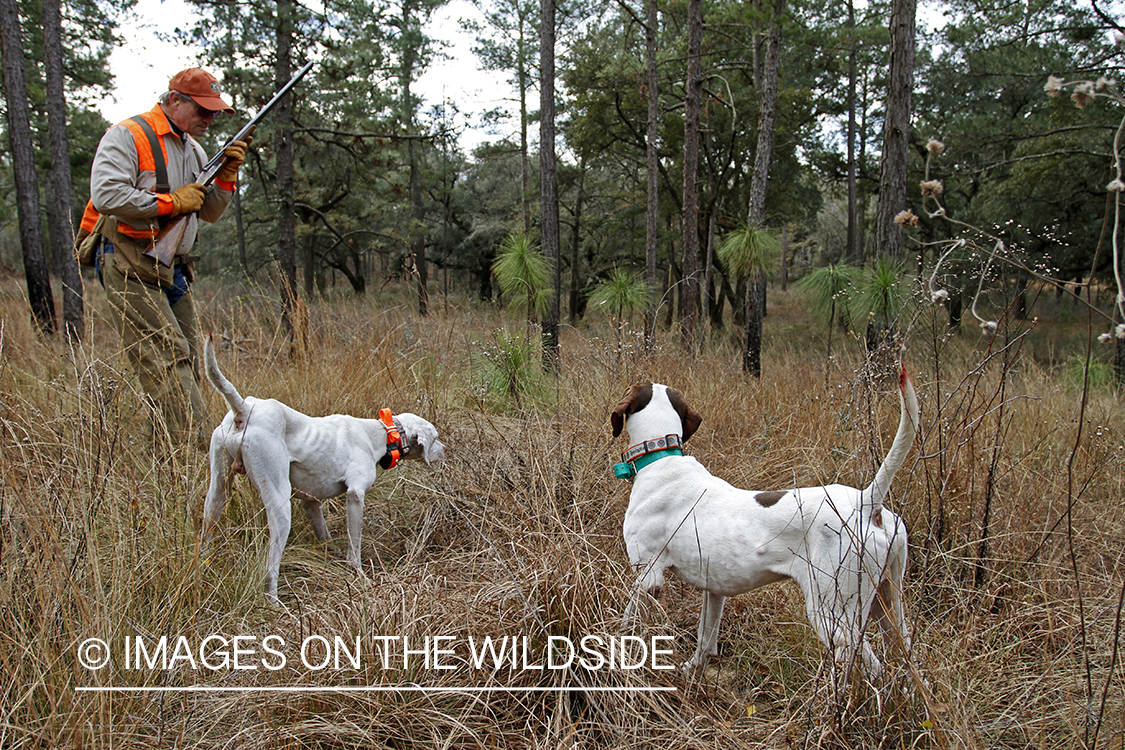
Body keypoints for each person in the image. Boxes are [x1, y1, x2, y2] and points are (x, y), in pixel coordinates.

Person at [85, 67, 251, 447]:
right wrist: (171, 202)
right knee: (167, 360)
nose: (209, 119)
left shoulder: (194, 148)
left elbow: (207, 212)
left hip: (174, 268)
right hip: (130, 262)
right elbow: (107, 195)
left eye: (214, 112)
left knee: (189, 360)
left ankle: (161, 457)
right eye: (203, 110)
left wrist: (226, 176)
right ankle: (194, 459)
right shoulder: (128, 135)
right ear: (174, 100)